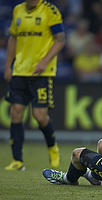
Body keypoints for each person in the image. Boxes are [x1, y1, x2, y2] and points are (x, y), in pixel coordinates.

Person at [4, 0, 65, 170]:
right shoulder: (18, 10)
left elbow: (60, 40)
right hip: (19, 71)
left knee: (40, 116)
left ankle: (52, 147)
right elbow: (13, 39)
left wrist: (45, 61)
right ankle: (18, 160)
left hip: (41, 73)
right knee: (16, 112)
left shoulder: (50, 11)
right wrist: (8, 66)